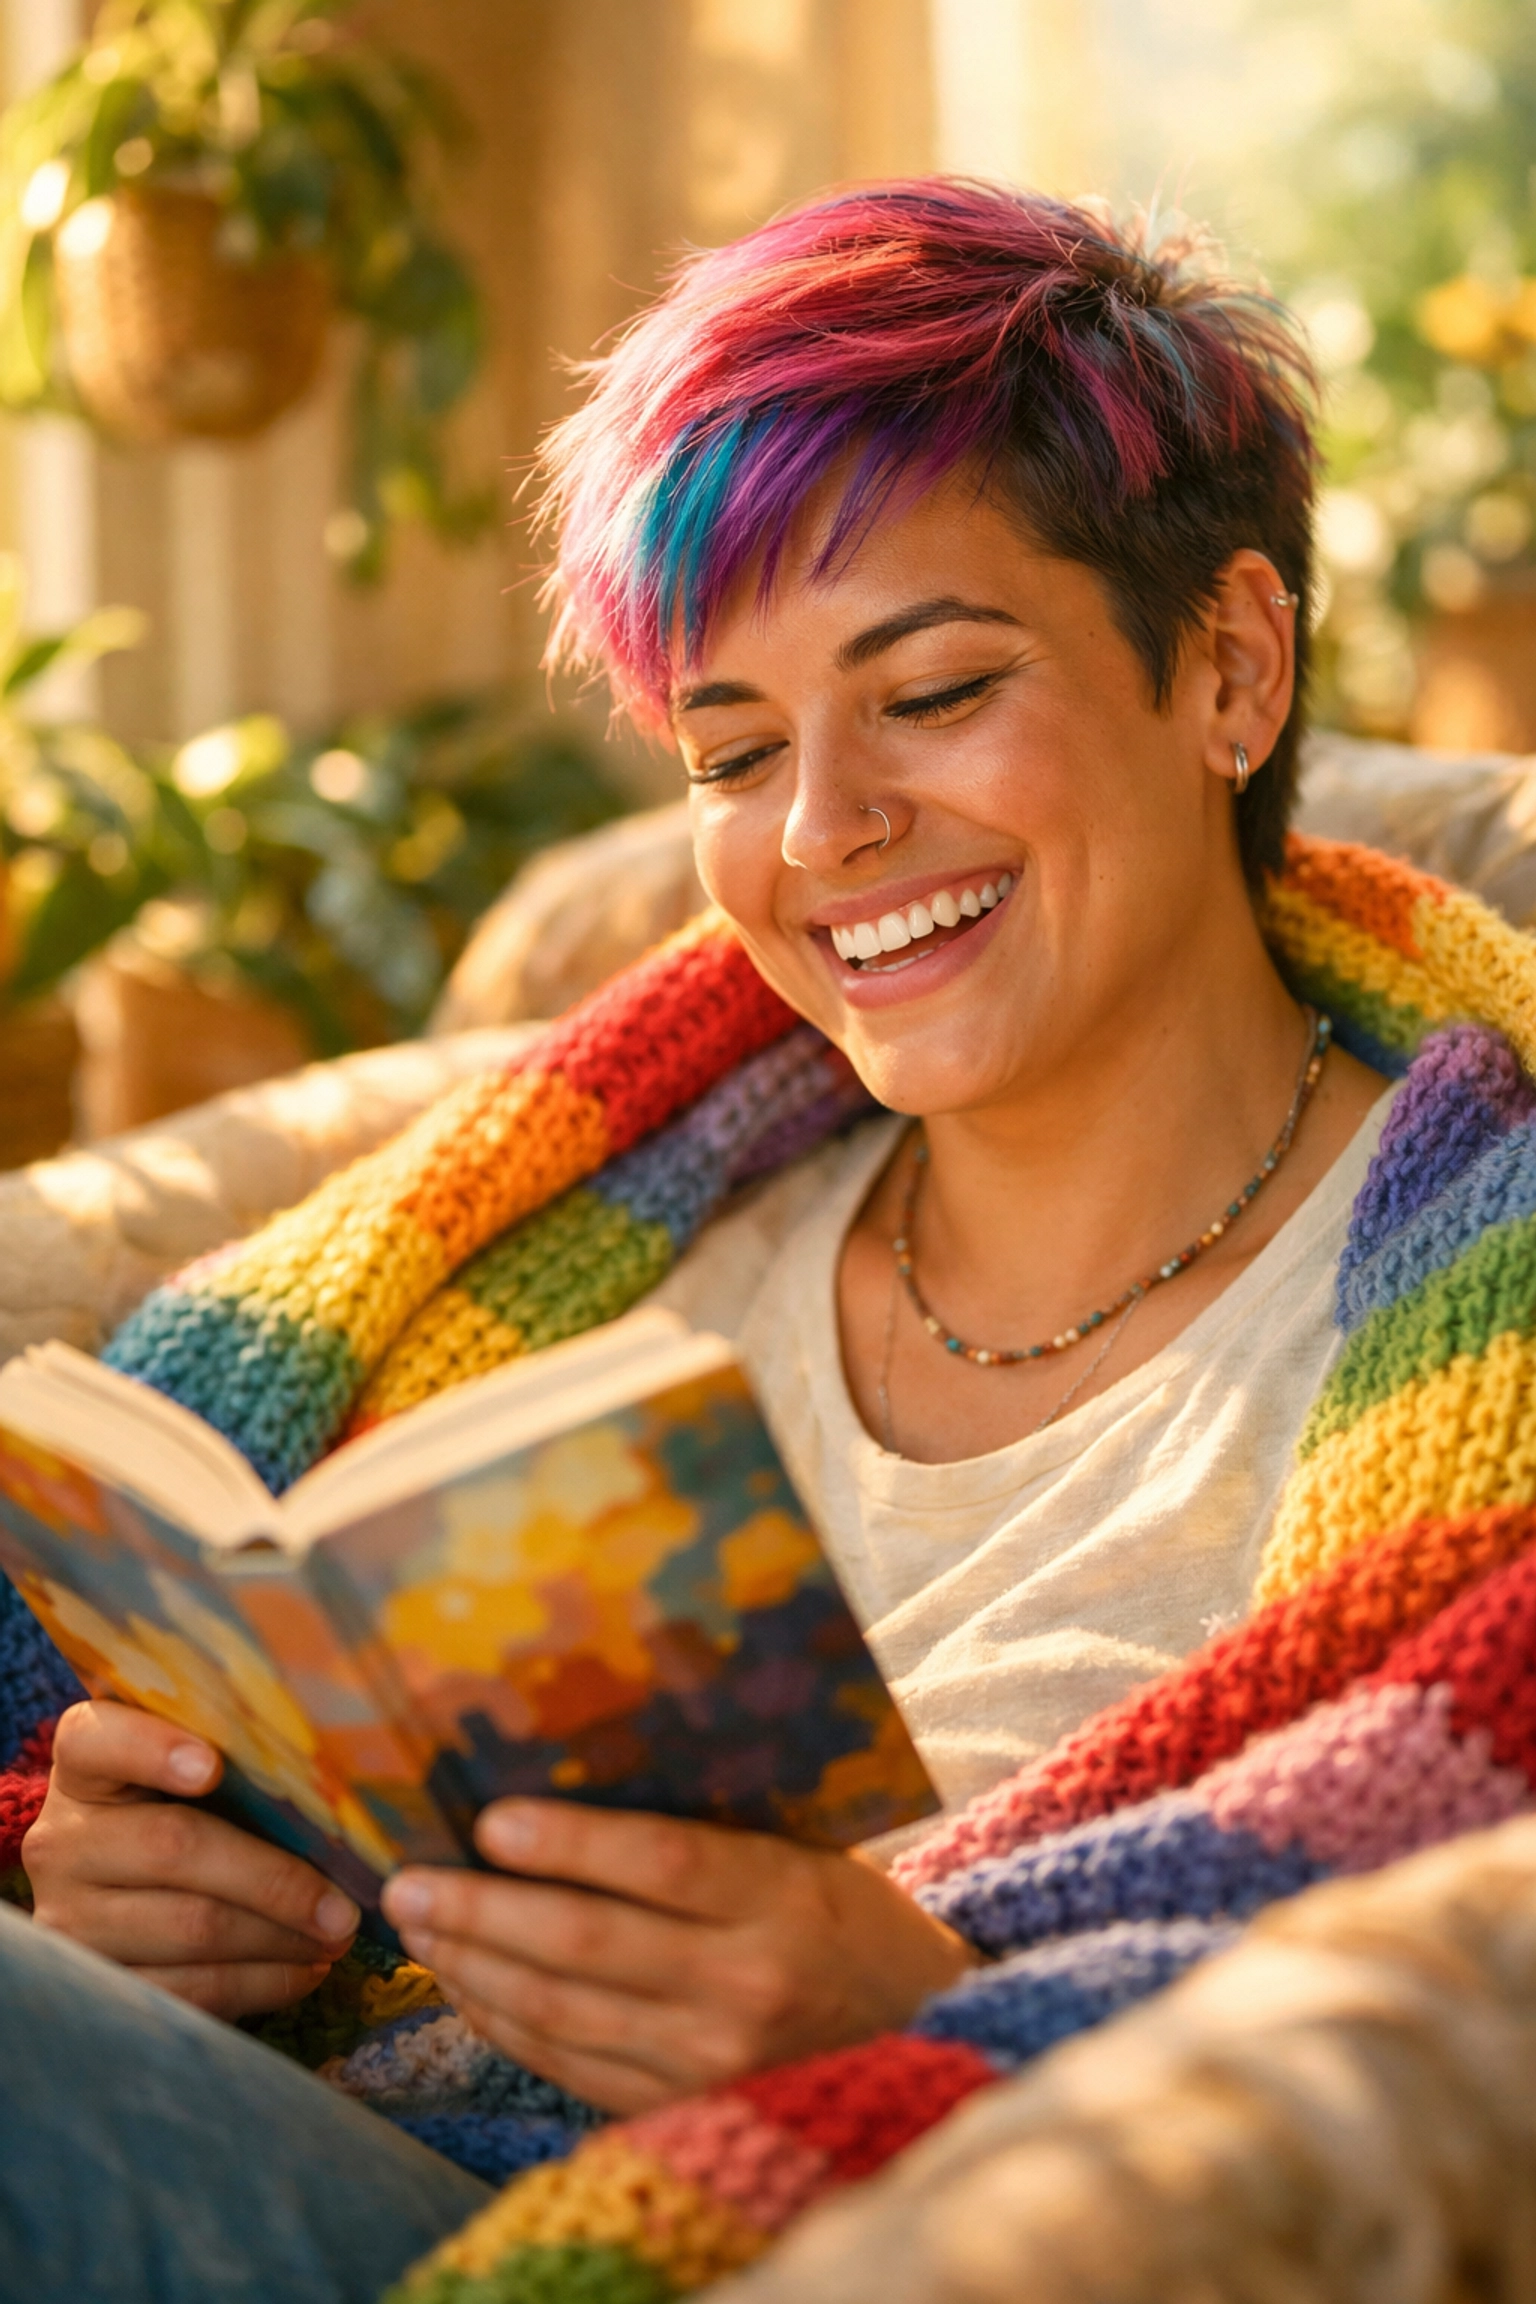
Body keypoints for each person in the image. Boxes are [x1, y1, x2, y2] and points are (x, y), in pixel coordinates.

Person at [11, 180, 1397, 2271]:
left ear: (1229, 663)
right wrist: (130, 1920)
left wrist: (914, 2031)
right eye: (731, 746)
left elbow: (1423, 2091)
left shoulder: (1454, 1333)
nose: (822, 833)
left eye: (930, 693)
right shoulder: (625, 1256)